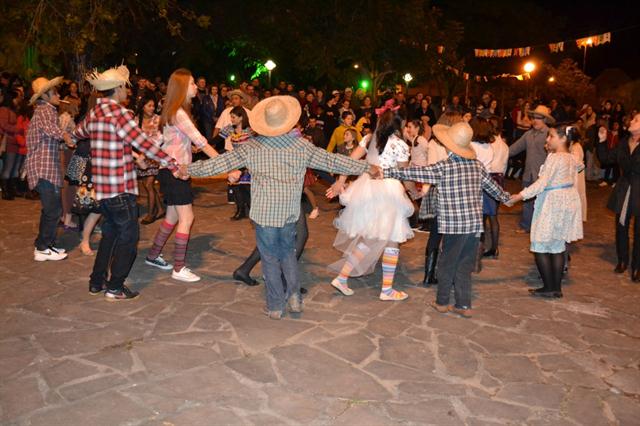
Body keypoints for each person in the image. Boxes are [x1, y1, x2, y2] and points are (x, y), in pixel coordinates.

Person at [187, 96, 371, 320]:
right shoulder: (302, 146)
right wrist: (368, 167)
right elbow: (334, 162)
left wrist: (187, 170)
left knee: (270, 258)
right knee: (288, 254)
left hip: (264, 215)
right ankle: (294, 297)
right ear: (288, 122)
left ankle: (275, 306)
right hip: (289, 213)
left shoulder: (251, 147)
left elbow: (218, 164)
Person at [71, 65, 185, 300]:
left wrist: (70, 137)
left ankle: (96, 281)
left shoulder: (94, 113)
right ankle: (115, 286)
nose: (128, 92)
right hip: (120, 189)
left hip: (102, 189)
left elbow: (77, 133)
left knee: (110, 235)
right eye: (126, 87)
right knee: (129, 238)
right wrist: (173, 164)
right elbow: (144, 143)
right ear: (119, 88)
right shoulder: (120, 114)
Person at [379, 122, 511, 318]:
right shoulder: (478, 166)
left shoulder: (444, 167)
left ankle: (442, 302)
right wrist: (509, 198)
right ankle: (463, 305)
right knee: (464, 266)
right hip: (474, 227)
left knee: (447, 263)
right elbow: (495, 190)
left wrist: (389, 172)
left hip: (453, 227)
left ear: (449, 146)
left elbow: (416, 172)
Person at [326, 109, 414, 301]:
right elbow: (404, 175)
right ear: (398, 125)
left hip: (367, 190)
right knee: (391, 239)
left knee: (370, 237)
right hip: (388, 193)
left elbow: (349, 161)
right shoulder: (400, 145)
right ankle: (387, 290)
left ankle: (342, 278)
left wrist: (341, 181)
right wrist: (414, 192)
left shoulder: (368, 139)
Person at [145, 69, 219, 283]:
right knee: (187, 218)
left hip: (168, 171)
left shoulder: (171, 112)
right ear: (182, 87)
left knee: (172, 217)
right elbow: (201, 141)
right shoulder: (178, 113)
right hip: (176, 173)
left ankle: (152, 255)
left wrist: (142, 156)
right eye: (193, 83)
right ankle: (178, 268)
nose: (197, 86)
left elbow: (159, 141)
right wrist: (227, 166)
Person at [508, 124, 584, 298]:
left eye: (551, 136)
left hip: (553, 202)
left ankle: (550, 287)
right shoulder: (572, 157)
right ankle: (555, 288)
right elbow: (575, 172)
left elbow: (542, 183)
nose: (547, 139)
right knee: (557, 245)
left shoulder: (555, 158)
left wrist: (520, 195)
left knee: (540, 244)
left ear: (563, 138)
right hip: (567, 200)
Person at [24, 76, 73, 261]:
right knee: (53, 209)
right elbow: (50, 130)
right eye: (55, 92)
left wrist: (64, 136)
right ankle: (42, 247)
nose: (58, 95)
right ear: (44, 95)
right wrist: (66, 136)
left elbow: (51, 135)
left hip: (47, 167)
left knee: (52, 209)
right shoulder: (45, 110)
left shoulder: (46, 110)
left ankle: (46, 245)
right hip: (43, 168)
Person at [597, 112, 640, 281]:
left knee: (639, 231)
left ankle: (637, 266)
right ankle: (623, 260)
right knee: (621, 226)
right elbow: (606, 159)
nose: (631, 121)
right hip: (624, 188)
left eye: (636, 120)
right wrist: (601, 141)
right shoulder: (623, 143)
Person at [508, 105, 554, 233]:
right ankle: (526, 225)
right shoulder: (528, 134)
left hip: (544, 176)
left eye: (538, 118)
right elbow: (514, 149)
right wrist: (498, 152)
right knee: (527, 201)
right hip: (528, 173)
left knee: (544, 204)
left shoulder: (550, 134)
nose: (534, 120)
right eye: (533, 117)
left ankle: (542, 229)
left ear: (544, 119)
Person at [483, 114, 509, 258]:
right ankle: (494, 247)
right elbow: (504, 166)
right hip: (499, 178)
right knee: (494, 216)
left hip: (488, 178)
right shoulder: (505, 146)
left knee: (482, 216)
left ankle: (479, 247)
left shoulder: (488, 145)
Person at [135, 97, 165, 224]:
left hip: (154, 156)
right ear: (143, 107)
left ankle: (151, 213)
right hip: (141, 157)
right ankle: (160, 210)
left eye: (153, 106)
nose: (152, 108)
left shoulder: (158, 119)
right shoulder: (136, 120)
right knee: (147, 185)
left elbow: (163, 137)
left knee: (148, 184)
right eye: (149, 105)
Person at [220, 106, 253, 220]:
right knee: (236, 187)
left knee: (247, 187)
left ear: (241, 117)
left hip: (249, 162)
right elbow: (217, 139)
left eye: (233, 117)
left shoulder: (249, 130)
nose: (231, 119)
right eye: (231, 117)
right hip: (236, 161)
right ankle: (240, 210)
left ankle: (252, 210)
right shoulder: (229, 128)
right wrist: (201, 146)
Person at [0, 89, 20, 199]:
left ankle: (10, 189)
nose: (17, 100)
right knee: (8, 167)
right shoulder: (4, 110)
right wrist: (17, 129)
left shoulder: (11, 110)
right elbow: (3, 125)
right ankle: (5, 191)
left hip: (14, 141)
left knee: (12, 167)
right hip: (8, 142)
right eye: (16, 98)